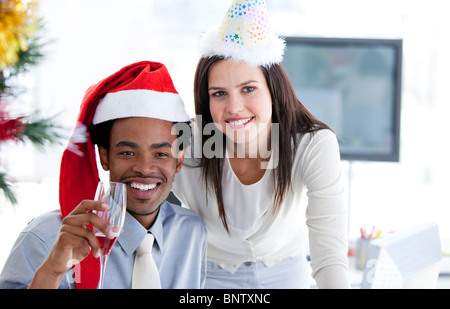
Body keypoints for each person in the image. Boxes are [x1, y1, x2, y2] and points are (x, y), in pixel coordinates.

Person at [172, 0, 350, 288]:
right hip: (210, 273)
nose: (234, 107)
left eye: (248, 89)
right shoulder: (188, 140)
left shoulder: (313, 144)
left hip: (287, 272)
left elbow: (329, 254)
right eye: (219, 93)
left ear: (273, 89)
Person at [0, 61, 207, 289]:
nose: (145, 168)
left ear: (179, 160)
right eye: (127, 152)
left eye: (160, 153)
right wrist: (51, 271)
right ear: (105, 157)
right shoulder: (45, 238)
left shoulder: (192, 232)